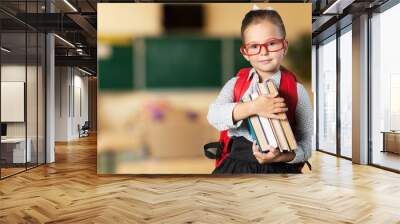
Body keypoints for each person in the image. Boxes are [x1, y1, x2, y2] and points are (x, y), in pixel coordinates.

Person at [207, 6, 313, 174]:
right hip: (236, 166)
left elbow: (307, 145)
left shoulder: (297, 91)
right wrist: (254, 107)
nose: (263, 52)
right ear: (245, 53)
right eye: (254, 46)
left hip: (281, 170)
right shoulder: (235, 84)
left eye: (271, 43)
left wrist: (282, 157)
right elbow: (213, 115)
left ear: (284, 46)